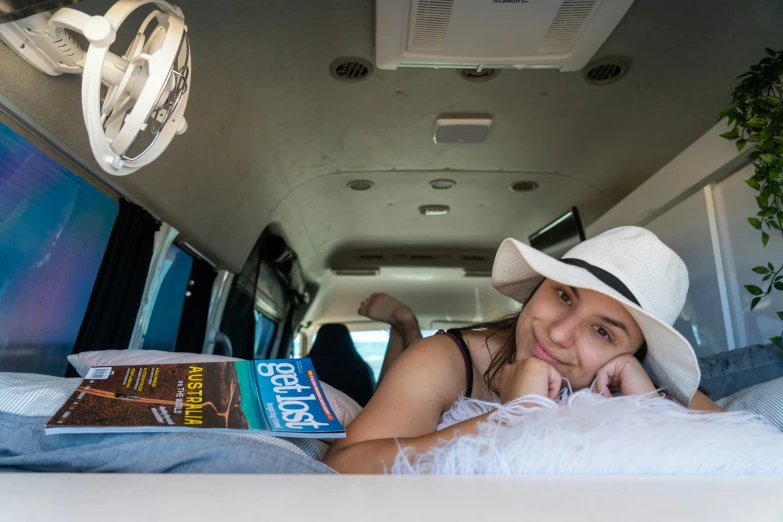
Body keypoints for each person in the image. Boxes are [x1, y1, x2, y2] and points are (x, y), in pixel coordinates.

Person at [323, 226, 722, 474]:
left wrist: (646, 406)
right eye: (564, 296)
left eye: (602, 331)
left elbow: (752, 454)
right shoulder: (446, 359)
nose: (560, 334)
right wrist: (509, 420)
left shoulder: (637, 382)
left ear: (633, 356)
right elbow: (342, 468)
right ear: (537, 289)